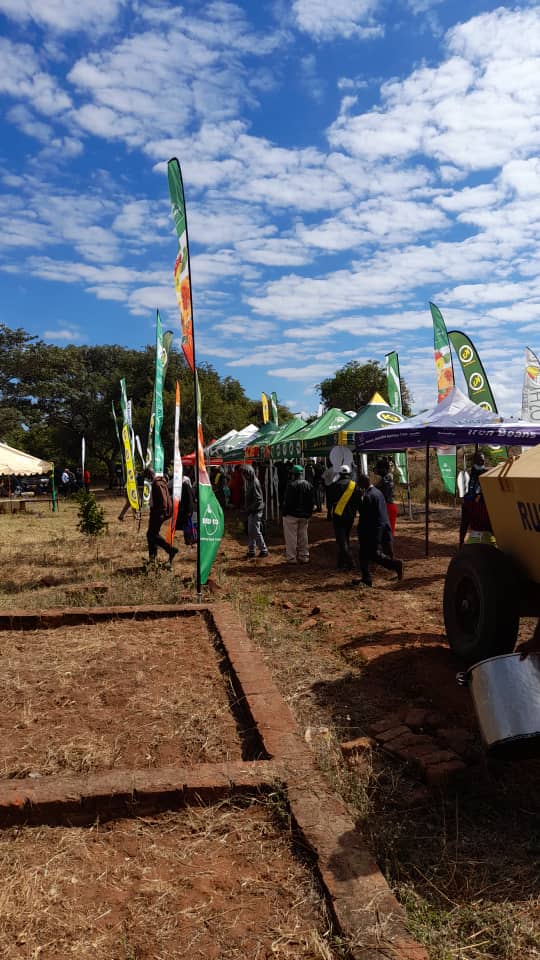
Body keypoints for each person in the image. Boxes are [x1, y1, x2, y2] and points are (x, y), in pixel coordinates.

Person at [355, 473, 403, 586]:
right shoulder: (378, 492)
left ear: (363, 483)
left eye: (359, 484)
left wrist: (359, 500)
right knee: (364, 553)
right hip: (381, 525)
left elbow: (364, 514)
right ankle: (366, 578)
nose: (358, 486)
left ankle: (395, 565)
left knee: (373, 554)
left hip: (372, 529)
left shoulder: (368, 496)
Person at [327, 464, 360, 571]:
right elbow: (358, 501)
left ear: (340, 474)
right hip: (350, 516)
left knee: (341, 540)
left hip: (338, 515)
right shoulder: (354, 485)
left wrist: (329, 513)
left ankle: (351, 562)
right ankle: (341, 563)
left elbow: (330, 500)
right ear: (349, 473)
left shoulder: (335, 485)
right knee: (345, 538)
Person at [282, 464, 315, 564]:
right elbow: (311, 501)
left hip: (292, 515)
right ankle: (304, 556)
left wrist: (284, 512)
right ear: (301, 474)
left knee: (291, 537)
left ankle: (292, 558)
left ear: (293, 474)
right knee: (303, 536)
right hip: (304, 515)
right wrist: (309, 513)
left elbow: (287, 501)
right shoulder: (309, 485)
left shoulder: (291, 485)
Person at [144, 467, 178, 565]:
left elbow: (163, 500)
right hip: (159, 513)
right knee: (152, 535)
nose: (146, 479)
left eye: (146, 476)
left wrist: (160, 513)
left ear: (150, 475)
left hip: (158, 513)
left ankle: (171, 550)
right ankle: (152, 559)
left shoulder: (157, 484)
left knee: (152, 535)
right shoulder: (160, 482)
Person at [241, 465, 268, 559]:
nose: (244, 476)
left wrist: (249, 509)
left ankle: (264, 550)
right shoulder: (250, 482)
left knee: (255, 531)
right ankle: (251, 550)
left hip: (255, 511)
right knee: (250, 531)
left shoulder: (254, 483)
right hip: (252, 511)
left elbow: (258, 500)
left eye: (245, 474)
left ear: (250, 473)